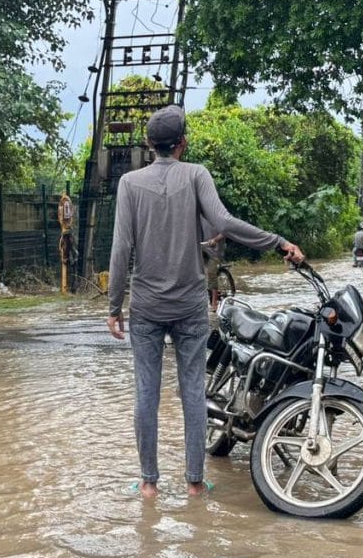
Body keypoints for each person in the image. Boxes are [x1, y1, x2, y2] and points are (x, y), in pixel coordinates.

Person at [107, 105, 305, 499]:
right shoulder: (197, 175)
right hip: (189, 307)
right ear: (182, 143)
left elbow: (121, 248)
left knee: (146, 392)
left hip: (145, 307)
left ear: (150, 144)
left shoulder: (129, 183)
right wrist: (278, 242)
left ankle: (148, 484)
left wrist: (114, 306)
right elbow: (225, 222)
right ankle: (195, 483)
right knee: (193, 391)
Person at [200, 217, 226, 312]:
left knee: (211, 273)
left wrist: (215, 240)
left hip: (215, 251)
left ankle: (214, 303)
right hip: (203, 248)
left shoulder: (218, 217)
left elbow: (225, 232)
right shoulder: (201, 217)